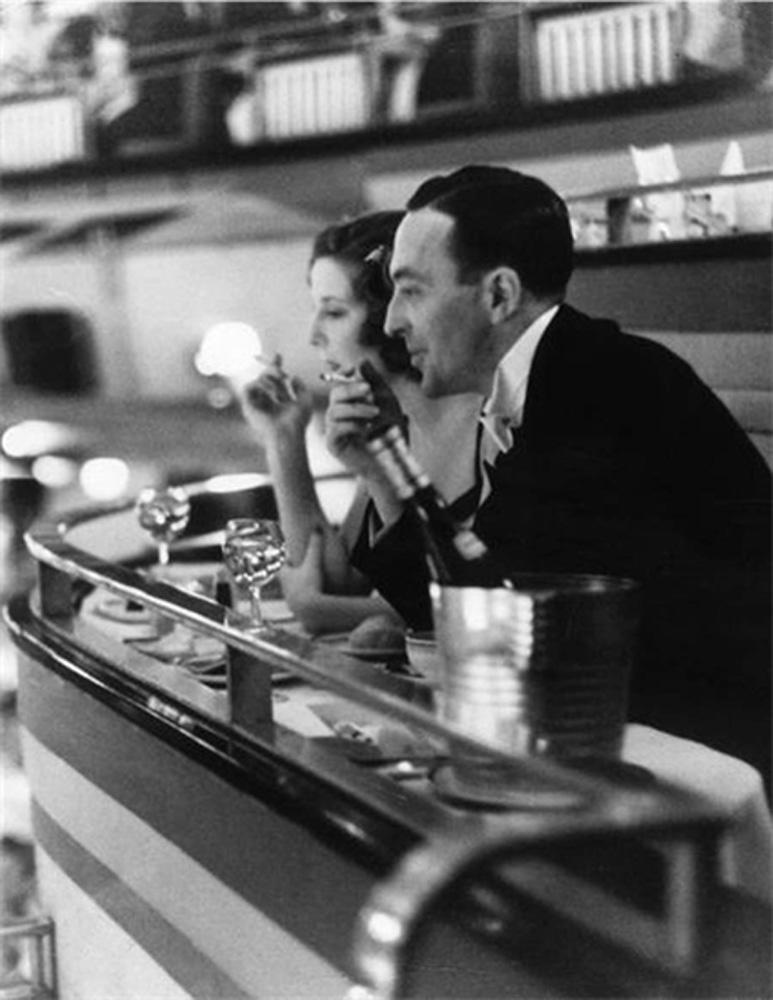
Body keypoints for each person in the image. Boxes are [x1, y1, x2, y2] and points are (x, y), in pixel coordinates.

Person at [325, 165, 772, 778]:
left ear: (500, 295)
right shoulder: (548, 378)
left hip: (712, 748)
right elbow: (472, 611)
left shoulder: (599, 387)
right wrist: (383, 466)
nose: (394, 321)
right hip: (626, 720)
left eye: (413, 290)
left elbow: (492, 621)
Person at [238, 210, 481, 635]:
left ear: (392, 316)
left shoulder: (487, 426)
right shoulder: (385, 422)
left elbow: (470, 603)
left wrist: (313, 607)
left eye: (333, 313)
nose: (313, 335)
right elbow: (343, 577)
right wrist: (284, 437)